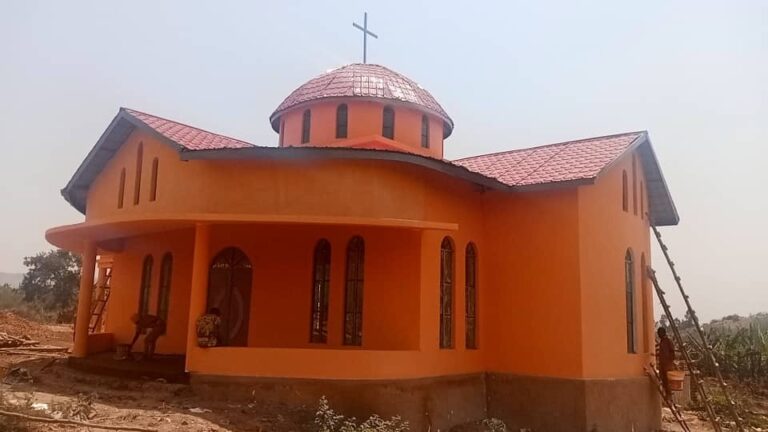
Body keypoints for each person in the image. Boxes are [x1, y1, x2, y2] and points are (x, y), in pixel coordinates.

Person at [657, 327, 676, 397]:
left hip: (667, 365)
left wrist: (670, 361)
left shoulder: (668, 341)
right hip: (662, 365)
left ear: (663, 333)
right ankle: (667, 394)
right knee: (663, 380)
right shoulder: (662, 341)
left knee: (668, 381)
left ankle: (669, 395)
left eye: (659, 333)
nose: (658, 335)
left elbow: (672, 352)